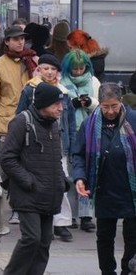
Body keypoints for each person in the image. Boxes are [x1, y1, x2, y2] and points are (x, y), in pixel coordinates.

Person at [1, 82, 71, 275]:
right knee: (31, 238)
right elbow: (7, 158)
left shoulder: (54, 125)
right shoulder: (22, 122)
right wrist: (27, 181)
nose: (61, 108)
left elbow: (56, 158)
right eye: (56, 104)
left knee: (44, 243)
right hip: (28, 194)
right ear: (43, 105)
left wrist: (63, 181)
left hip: (50, 193)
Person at [72, 83, 136, 275]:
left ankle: (128, 269)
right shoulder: (89, 124)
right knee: (105, 236)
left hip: (131, 189)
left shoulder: (133, 119)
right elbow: (78, 154)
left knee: (133, 236)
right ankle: (107, 271)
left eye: (114, 106)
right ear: (99, 103)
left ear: (121, 101)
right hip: (103, 187)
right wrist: (79, 177)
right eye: (105, 106)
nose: (109, 111)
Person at [0, 26, 38, 234]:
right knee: (10, 169)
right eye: (15, 39)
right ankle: (14, 206)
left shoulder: (32, 61)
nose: (20, 42)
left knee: (29, 167)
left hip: (33, 123)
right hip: (7, 124)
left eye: (22, 39)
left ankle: (24, 207)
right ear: (6, 41)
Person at [16, 53, 75, 243]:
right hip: (36, 143)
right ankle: (41, 217)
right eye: (45, 68)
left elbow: (71, 122)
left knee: (61, 181)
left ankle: (62, 222)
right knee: (41, 180)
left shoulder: (64, 93)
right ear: (38, 69)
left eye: (53, 69)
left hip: (60, 143)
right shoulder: (29, 90)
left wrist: (72, 144)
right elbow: (21, 114)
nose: (49, 72)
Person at [60, 48, 100, 233]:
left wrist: (89, 102)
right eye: (74, 68)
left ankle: (86, 215)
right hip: (68, 133)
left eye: (81, 68)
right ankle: (72, 215)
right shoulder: (61, 81)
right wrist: (71, 103)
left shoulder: (93, 82)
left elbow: (101, 106)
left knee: (86, 174)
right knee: (70, 176)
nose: (77, 72)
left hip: (89, 132)